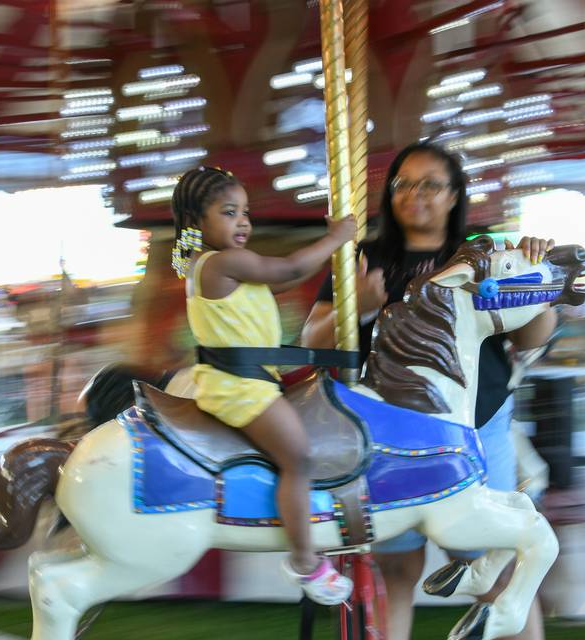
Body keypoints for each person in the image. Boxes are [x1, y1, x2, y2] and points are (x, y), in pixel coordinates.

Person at [301, 142, 556, 639]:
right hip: (388, 438)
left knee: (492, 569)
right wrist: (359, 307)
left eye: (431, 184)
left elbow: (530, 336)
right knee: (394, 572)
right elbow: (311, 340)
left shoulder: (486, 254)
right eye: (403, 184)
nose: (415, 194)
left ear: (455, 194)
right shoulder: (363, 258)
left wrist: (538, 288)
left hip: (475, 427)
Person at [172, 166, 357, 605]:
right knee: (299, 457)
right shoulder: (219, 263)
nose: (243, 222)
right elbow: (290, 266)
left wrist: (334, 257)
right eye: (229, 212)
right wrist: (336, 238)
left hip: (250, 380)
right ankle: (306, 561)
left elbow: (288, 276)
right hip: (240, 387)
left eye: (245, 213)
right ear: (198, 222)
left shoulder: (227, 266)